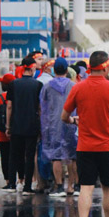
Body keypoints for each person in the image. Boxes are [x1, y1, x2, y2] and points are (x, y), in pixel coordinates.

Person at [62, 51, 109, 217]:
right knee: (108, 188)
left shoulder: (78, 88)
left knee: (86, 187)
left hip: (85, 145)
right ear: (106, 67)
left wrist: (76, 121)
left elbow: (64, 117)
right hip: (108, 146)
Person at [40, 57, 78, 197]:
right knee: (72, 156)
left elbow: (42, 106)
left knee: (56, 156)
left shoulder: (47, 87)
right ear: (67, 70)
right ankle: (72, 187)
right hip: (71, 122)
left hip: (53, 124)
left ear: (53, 70)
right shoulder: (74, 86)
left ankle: (59, 186)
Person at [6, 57, 43, 195]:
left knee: (15, 154)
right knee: (29, 154)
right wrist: (40, 125)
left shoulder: (13, 84)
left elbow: (9, 106)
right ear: (32, 68)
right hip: (31, 124)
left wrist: (8, 126)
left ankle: (13, 182)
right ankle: (28, 185)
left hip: (16, 123)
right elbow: (39, 108)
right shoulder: (38, 85)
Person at [0, 74, 16, 191]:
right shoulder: (17, 96)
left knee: (5, 158)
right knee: (17, 156)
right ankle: (19, 179)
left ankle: (8, 181)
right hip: (16, 131)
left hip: (2, 134)